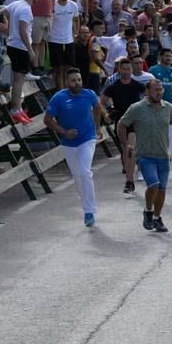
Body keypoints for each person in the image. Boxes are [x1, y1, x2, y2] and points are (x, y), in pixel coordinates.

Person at [44, 68, 105, 227]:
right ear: (67, 82)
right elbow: (47, 120)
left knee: (85, 172)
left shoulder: (89, 94)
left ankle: (89, 211)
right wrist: (63, 131)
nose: (77, 83)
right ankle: (86, 204)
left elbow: (98, 108)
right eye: (73, 80)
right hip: (68, 143)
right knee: (77, 177)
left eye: (79, 79)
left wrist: (98, 127)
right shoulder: (59, 98)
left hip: (87, 139)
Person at [120, 78, 172, 232]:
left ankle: (157, 218)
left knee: (162, 189)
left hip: (163, 155)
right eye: (156, 89)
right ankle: (148, 211)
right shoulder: (137, 108)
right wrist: (125, 144)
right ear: (147, 91)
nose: (159, 92)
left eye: (161, 89)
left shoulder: (167, 107)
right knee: (153, 185)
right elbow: (122, 124)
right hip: (145, 155)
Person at [103, 58, 146, 193]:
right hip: (120, 122)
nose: (127, 72)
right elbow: (101, 102)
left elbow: (148, 97)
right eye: (124, 69)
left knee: (130, 149)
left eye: (129, 69)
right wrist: (106, 115)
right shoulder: (114, 86)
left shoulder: (137, 85)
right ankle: (131, 172)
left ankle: (129, 181)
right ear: (119, 70)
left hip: (134, 122)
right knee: (125, 149)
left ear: (132, 70)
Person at [5, 0, 38, 125]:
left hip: (11, 44)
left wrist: (8, 28)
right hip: (20, 47)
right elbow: (23, 30)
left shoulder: (16, 4)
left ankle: (17, 107)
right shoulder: (26, 9)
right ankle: (15, 109)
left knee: (18, 79)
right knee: (19, 81)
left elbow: (4, 11)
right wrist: (30, 50)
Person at [48, 0, 80, 91]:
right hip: (54, 40)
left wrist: (76, 33)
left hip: (69, 40)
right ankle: (61, 90)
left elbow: (76, 20)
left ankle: (69, 89)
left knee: (69, 67)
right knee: (59, 68)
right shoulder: (53, 5)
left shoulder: (73, 5)